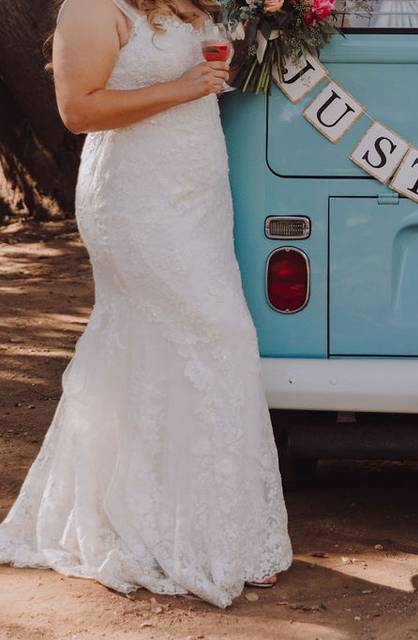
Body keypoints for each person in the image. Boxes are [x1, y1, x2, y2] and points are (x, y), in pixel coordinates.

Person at [0, 0, 292, 607]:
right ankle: (191, 538)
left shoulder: (196, 4)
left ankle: (195, 528)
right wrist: (180, 88)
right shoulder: (92, 8)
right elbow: (77, 111)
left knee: (159, 348)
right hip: (135, 198)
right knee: (219, 339)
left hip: (197, 196)